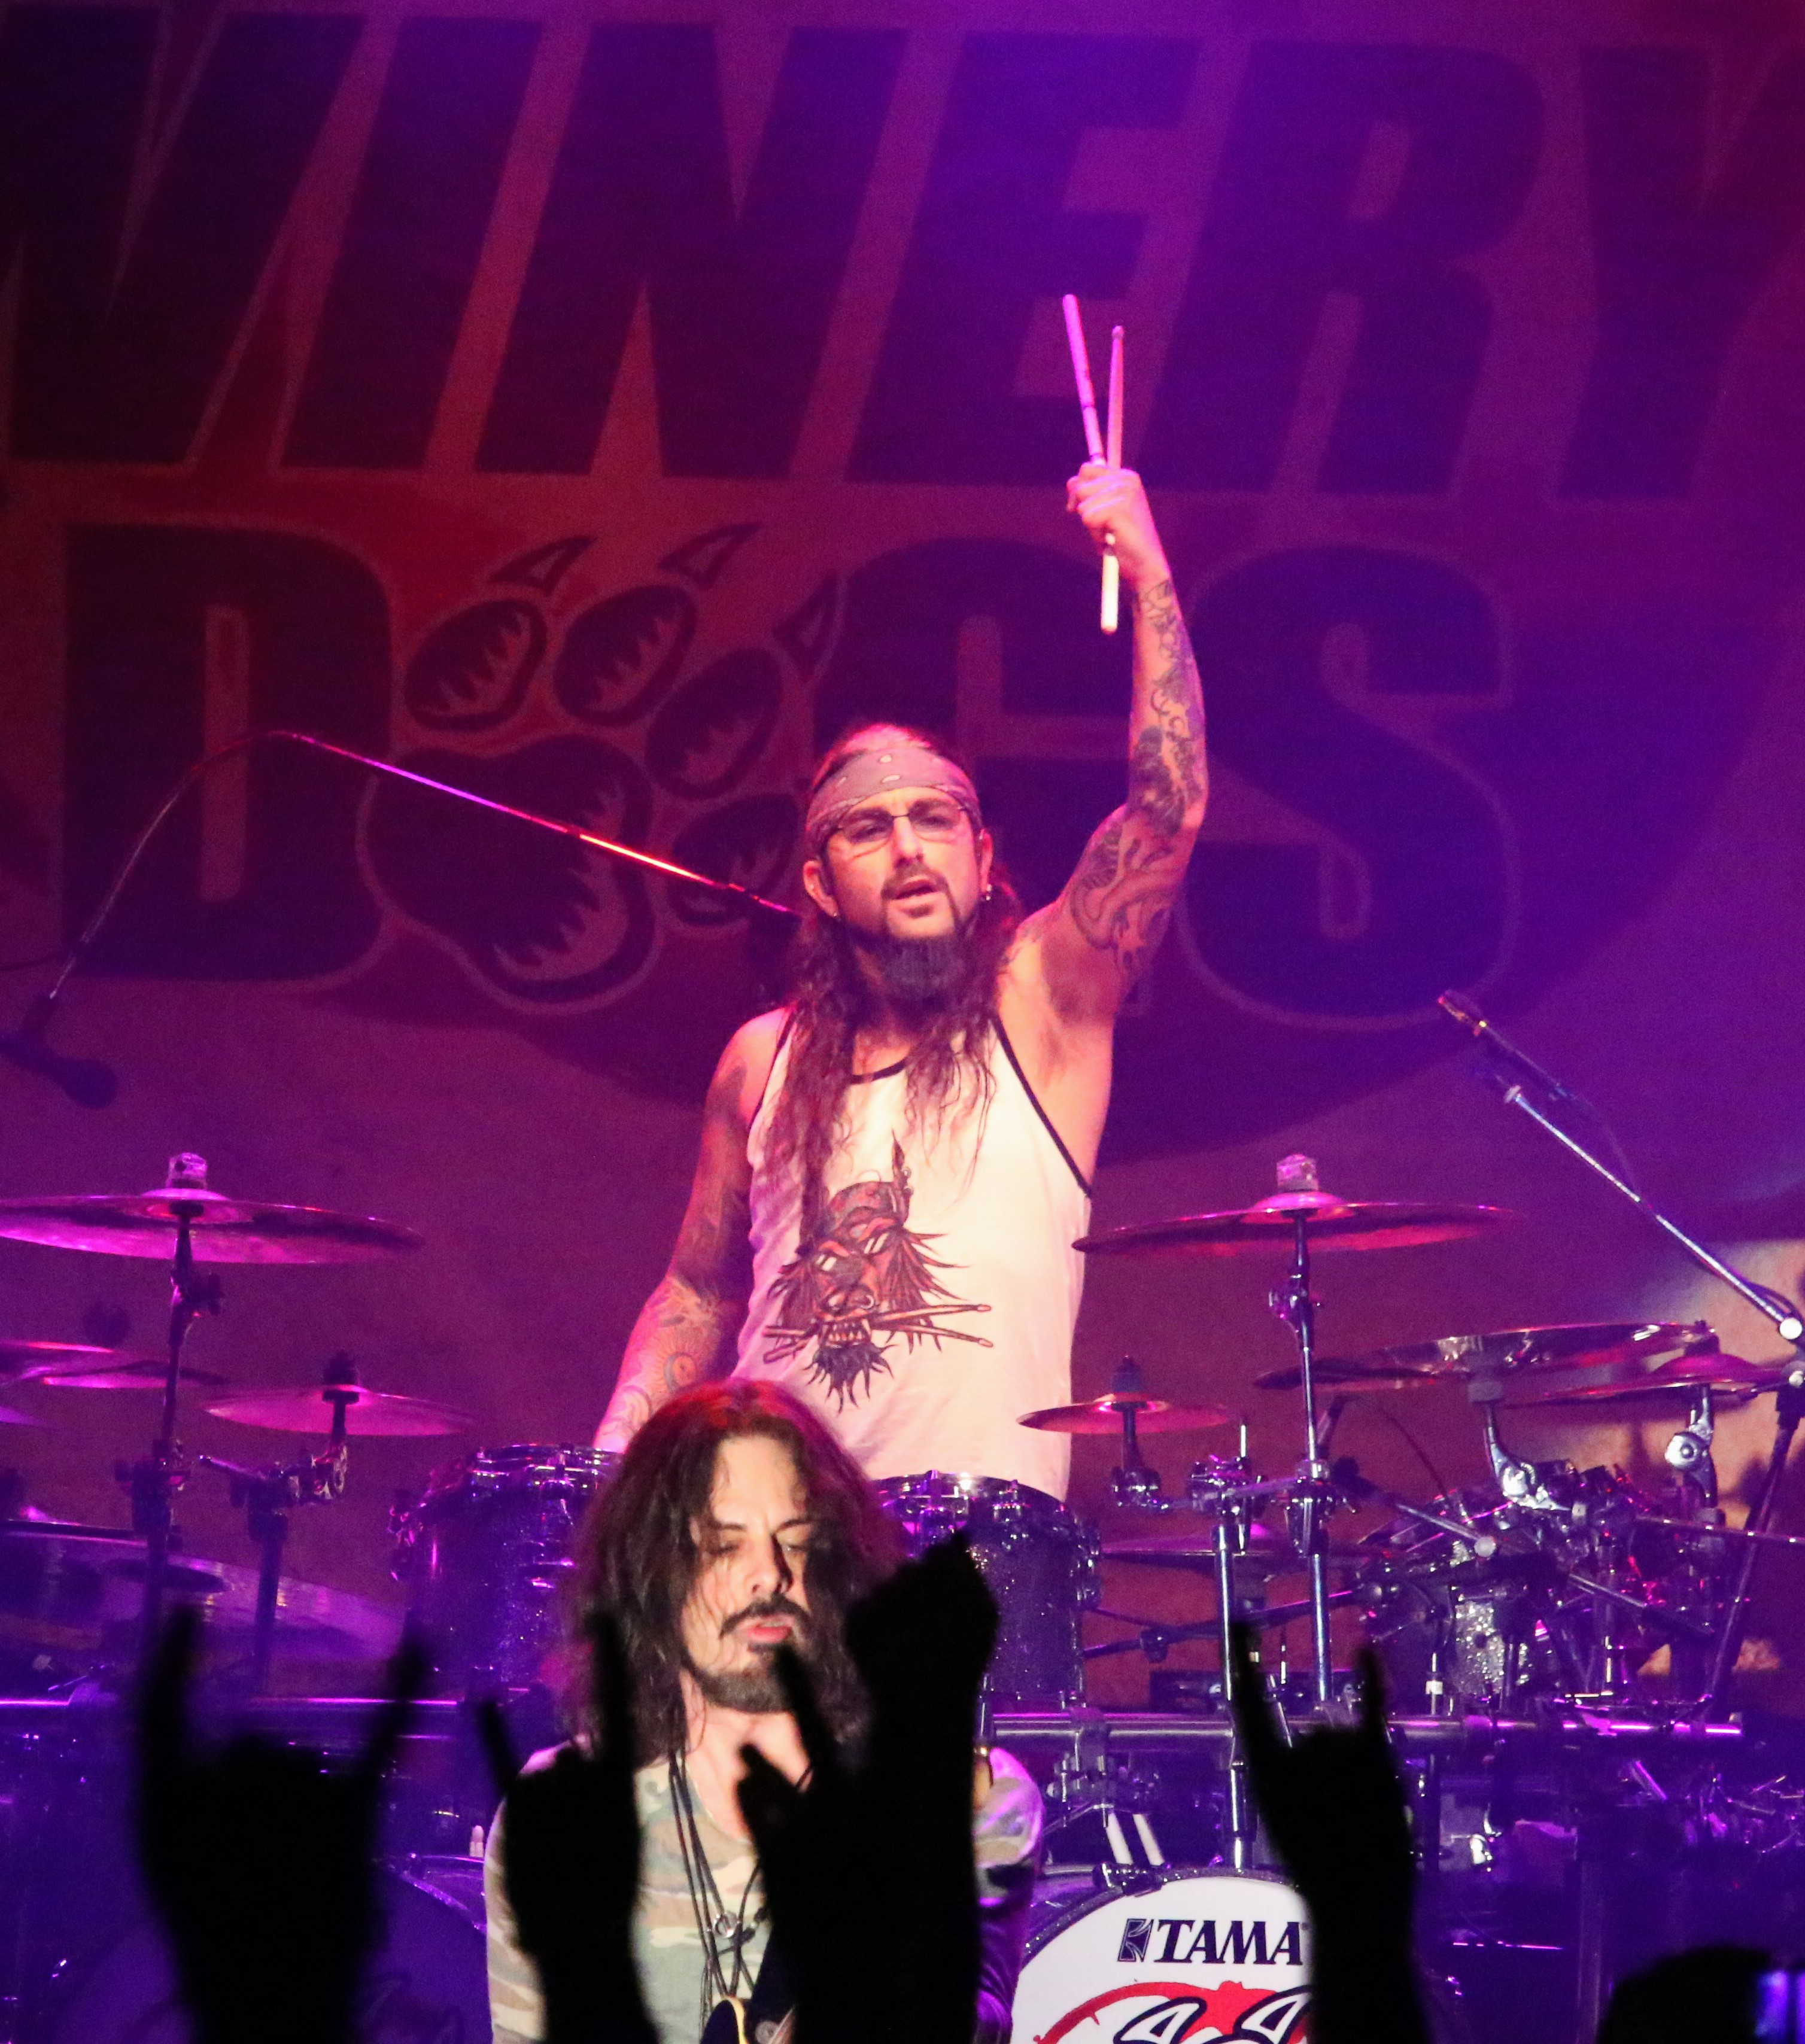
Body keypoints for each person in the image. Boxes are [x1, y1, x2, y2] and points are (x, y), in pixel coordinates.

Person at [594, 462, 1207, 1498]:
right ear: (820, 884)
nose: (910, 849)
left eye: (934, 821)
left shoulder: (1041, 1001)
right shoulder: (761, 1059)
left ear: (982, 855)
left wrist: (1148, 574)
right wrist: (610, 1456)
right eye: (869, 830)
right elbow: (700, 1289)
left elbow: (1165, 812)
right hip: (777, 1529)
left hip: (971, 1540)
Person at [487, 1382, 1043, 2044]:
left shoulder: (967, 1795)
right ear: (648, 1574)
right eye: (723, 1545)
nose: (769, 1574)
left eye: (797, 1540)